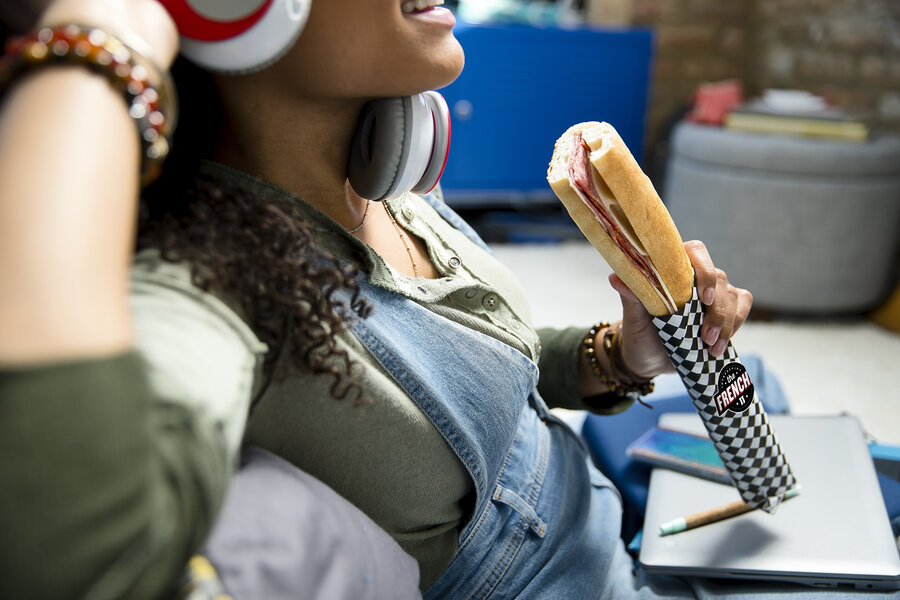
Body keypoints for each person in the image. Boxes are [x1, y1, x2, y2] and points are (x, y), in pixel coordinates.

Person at [2, 1, 895, 599]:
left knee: (825, 454)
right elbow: (75, 553)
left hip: (610, 523)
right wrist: (95, 54)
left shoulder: (389, 186)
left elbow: (488, 356)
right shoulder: (201, 283)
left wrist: (621, 355)